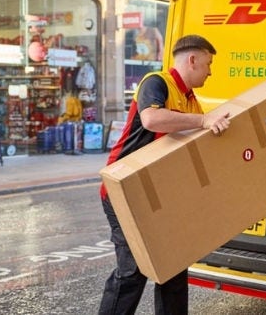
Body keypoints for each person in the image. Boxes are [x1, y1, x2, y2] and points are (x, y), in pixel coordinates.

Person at [99, 34, 231, 315]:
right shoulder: (156, 82)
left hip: (159, 196)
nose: (210, 71)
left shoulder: (192, 102)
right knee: (132, 271)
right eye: (208, 64)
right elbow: (151, 118)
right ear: (192, 60)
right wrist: (204, 121)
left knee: (172, 268)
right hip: (125, 190)